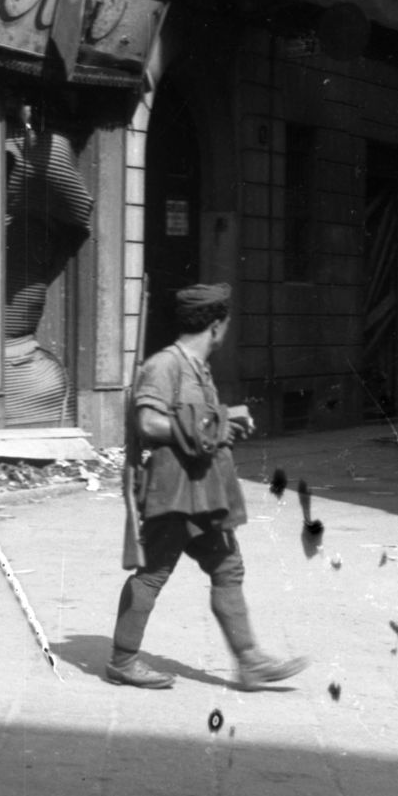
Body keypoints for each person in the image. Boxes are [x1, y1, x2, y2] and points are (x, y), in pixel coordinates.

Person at [108, 281, 306, 691]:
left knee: (228, 567)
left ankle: (249, 660)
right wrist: (215, 425)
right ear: (217, 326)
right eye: (226, 324)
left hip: (203, 491)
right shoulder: (166, 365)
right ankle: (123, 660)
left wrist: (225, 417)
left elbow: (193, 420)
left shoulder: (196, 367)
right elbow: (148, 423)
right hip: (176, 493)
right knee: (152, 573)